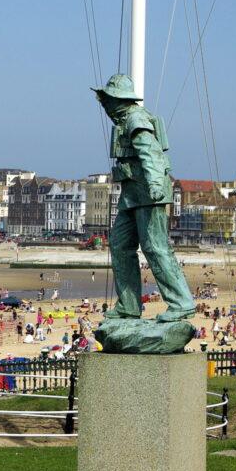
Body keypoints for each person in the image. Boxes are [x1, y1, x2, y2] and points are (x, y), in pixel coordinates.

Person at [93, 73, 194, 322]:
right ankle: (129, 305)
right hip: (132, 195)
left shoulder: (135, 119)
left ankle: (181, 302)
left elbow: (151, 154)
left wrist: (156, 184)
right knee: (119, 244)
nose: (104, 105)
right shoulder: (125, 120)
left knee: (155, 247)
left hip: (148, 193)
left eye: (107, 100)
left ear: (118, 100)